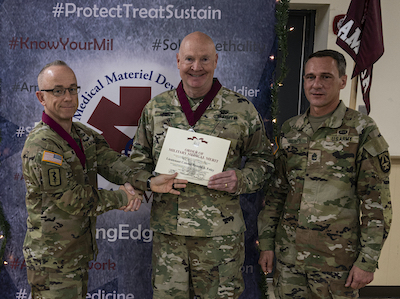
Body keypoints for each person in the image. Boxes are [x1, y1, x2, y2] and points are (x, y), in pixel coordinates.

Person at [21, 60, 185, 299]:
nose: (67, 97)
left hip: (75, 253)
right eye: (57, 90)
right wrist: (122, 197)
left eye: (72, 89)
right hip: (52, 261)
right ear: (41, 97)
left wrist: (149, 182)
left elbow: (112, 163)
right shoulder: (42, 145)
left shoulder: (82, 134)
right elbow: (72, 199)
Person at [129, 31, 274, 299]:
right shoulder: (155, 109)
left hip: (220, 238)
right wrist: (147, 183)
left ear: (216, 60)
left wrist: (240, 179)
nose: (197, 67)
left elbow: (264, 160)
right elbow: (137, 161)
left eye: (204, 59)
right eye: (190, 59)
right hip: (170, 237)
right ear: (178, 61)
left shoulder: (241, 109)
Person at [258, 49, 392, 298]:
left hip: (336, 263)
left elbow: (377, 204)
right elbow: (277, 194)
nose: (316, 84)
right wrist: (266, 244)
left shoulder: (361, 130)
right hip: (290, 261)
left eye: (325, 77)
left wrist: (368, 261)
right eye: (310, 77)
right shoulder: (291, 129)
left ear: (342, 80)